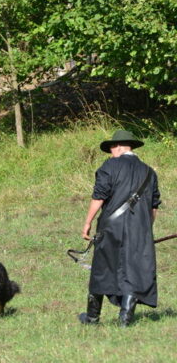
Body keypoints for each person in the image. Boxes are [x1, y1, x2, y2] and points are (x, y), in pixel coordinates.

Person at [79, 130, 161, 327]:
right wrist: (146, 230)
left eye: (111, 149)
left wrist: (87, 222)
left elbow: (99, 196)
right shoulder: (149, 171)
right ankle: (124, 320)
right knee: (133, 270)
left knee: (102, 268)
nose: (111, 153)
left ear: (118, 147)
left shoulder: (110, 165)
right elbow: (154, 206)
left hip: (111, 227)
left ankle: (92, 318)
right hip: (139, 229)